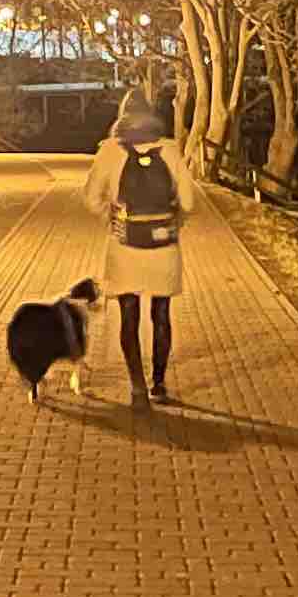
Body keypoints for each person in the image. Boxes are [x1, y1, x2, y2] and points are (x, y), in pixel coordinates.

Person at [79, 92, 198, 402]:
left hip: (124, 246)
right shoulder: (170, 149)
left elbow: (91, 198)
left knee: (129, 316)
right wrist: (177, 221)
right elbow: (188, 201)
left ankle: (137, 386)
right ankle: (159, 384)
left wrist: (110, 217)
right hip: (163, 246)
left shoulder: (109, 151)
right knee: (161, 314)